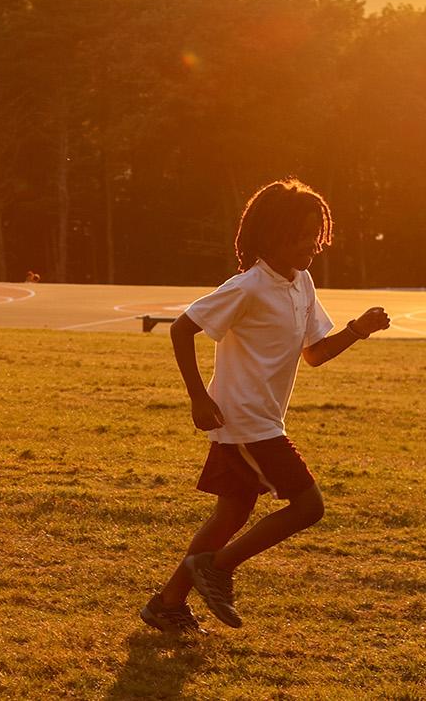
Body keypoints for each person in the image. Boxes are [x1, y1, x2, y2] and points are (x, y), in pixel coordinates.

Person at [139, 179, 390, 634]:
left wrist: (357, 330)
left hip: (262, 417)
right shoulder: (248, 286)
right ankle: (218, 566)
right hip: (244, 419)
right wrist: (198, 396)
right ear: (272, 236)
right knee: (309, 506)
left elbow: (314, 354)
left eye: (317, 233)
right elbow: (181, 329)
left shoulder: (302, 283)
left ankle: (167, 604)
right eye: (301, 235)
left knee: (231, 513)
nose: (312, 244)